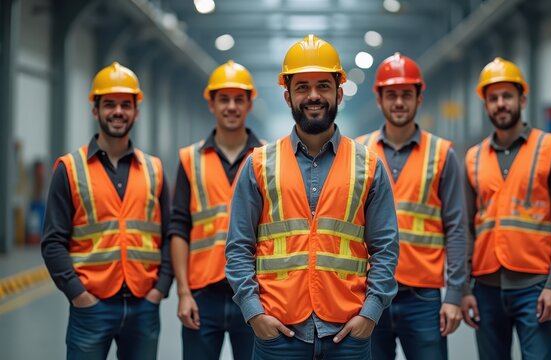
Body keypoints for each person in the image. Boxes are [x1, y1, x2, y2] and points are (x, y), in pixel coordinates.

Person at [225, 34, 400, 360]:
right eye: (302, 87)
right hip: (278, 335)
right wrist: (254, 313)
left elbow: (386, 249)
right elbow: (238, 247)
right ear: (288, 94)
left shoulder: (369, 165)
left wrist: (370, 314)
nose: (314, 95)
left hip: (347, 335)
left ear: (338, 91)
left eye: (323, 85)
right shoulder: (259, 164)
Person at [41, 62, 172, 360]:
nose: (118, 112)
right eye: (109, 104)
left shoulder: (155, 169)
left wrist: (160, 289)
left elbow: (169, 234)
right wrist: (78, 294)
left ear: (136, 111)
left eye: (126, 105)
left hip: (143, 304)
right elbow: (53, 242)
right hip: (92, 306)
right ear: (95, 110)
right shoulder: (69, 169)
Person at [461, 57, 551, 360]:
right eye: (493, 98)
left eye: (507, 96)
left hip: (534, 287)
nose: (501, 104)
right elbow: (466, 228)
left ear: (522, 98)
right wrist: (464, 288)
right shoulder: (473, 158)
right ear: (485, 104)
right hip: (485, 287)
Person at [356, 52, 466, 360]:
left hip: (423, 298)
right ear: (379, 99)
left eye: (406, 94)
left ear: (419, 98)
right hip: (368, 295)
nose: (399, 102)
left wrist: (454, 294)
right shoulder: (358, 153)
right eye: (391, 95)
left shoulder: (442, 154)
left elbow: (456, 228)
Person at [169, 60, 262, 360]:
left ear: (250, 103)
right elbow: (179, 228)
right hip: (202, 297)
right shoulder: (189, 160)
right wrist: (183, 292)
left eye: (239, 99)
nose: (231, 107)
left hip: (255, 295)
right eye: (224, 99)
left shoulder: (268, 159)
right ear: (211, 103)